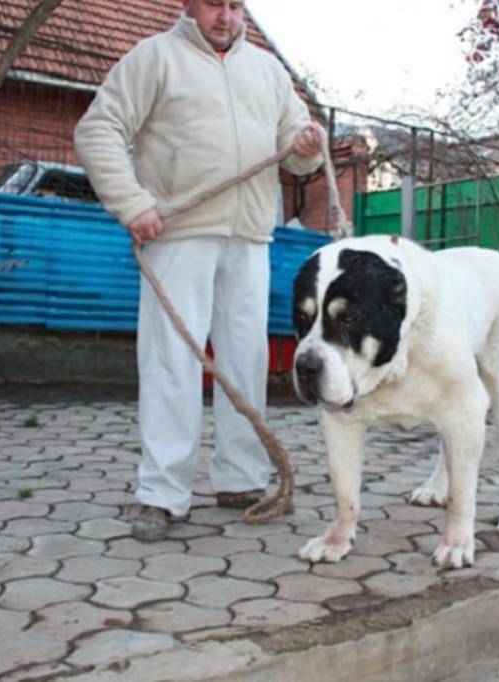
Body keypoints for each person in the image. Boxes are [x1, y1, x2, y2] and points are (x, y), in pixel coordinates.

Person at [74, 0, 323, 540]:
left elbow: (297, 151)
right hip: (177, 232)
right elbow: (98, 131)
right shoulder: (154, 58)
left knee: (247, 359)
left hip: (250, 236)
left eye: (236, 6)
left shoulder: (268, 70)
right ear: (189, 4)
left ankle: (240, 478)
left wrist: (306, 147)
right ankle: (162, 492)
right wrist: (132, 203)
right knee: (171, 360)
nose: (226, 17)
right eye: (215, 4)